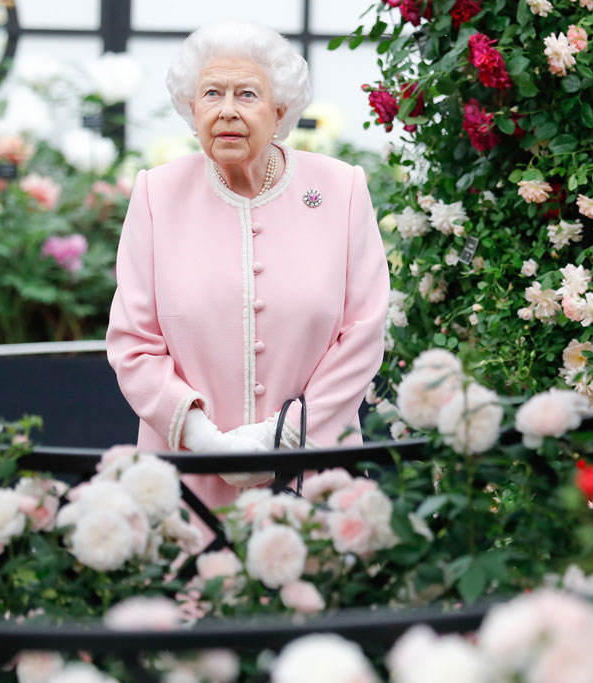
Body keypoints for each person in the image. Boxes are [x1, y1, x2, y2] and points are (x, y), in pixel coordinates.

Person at [106, 21, 389, 507]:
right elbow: (134, 344)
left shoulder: (341, 189)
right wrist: (208, 443)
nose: (227, 111)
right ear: (192, 109)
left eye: (247, 94)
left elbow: (362, 332)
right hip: (185, 475)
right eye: (211, 93)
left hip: (311, 471)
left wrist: (279, 440)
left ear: (280, 111)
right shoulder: (156, 193)